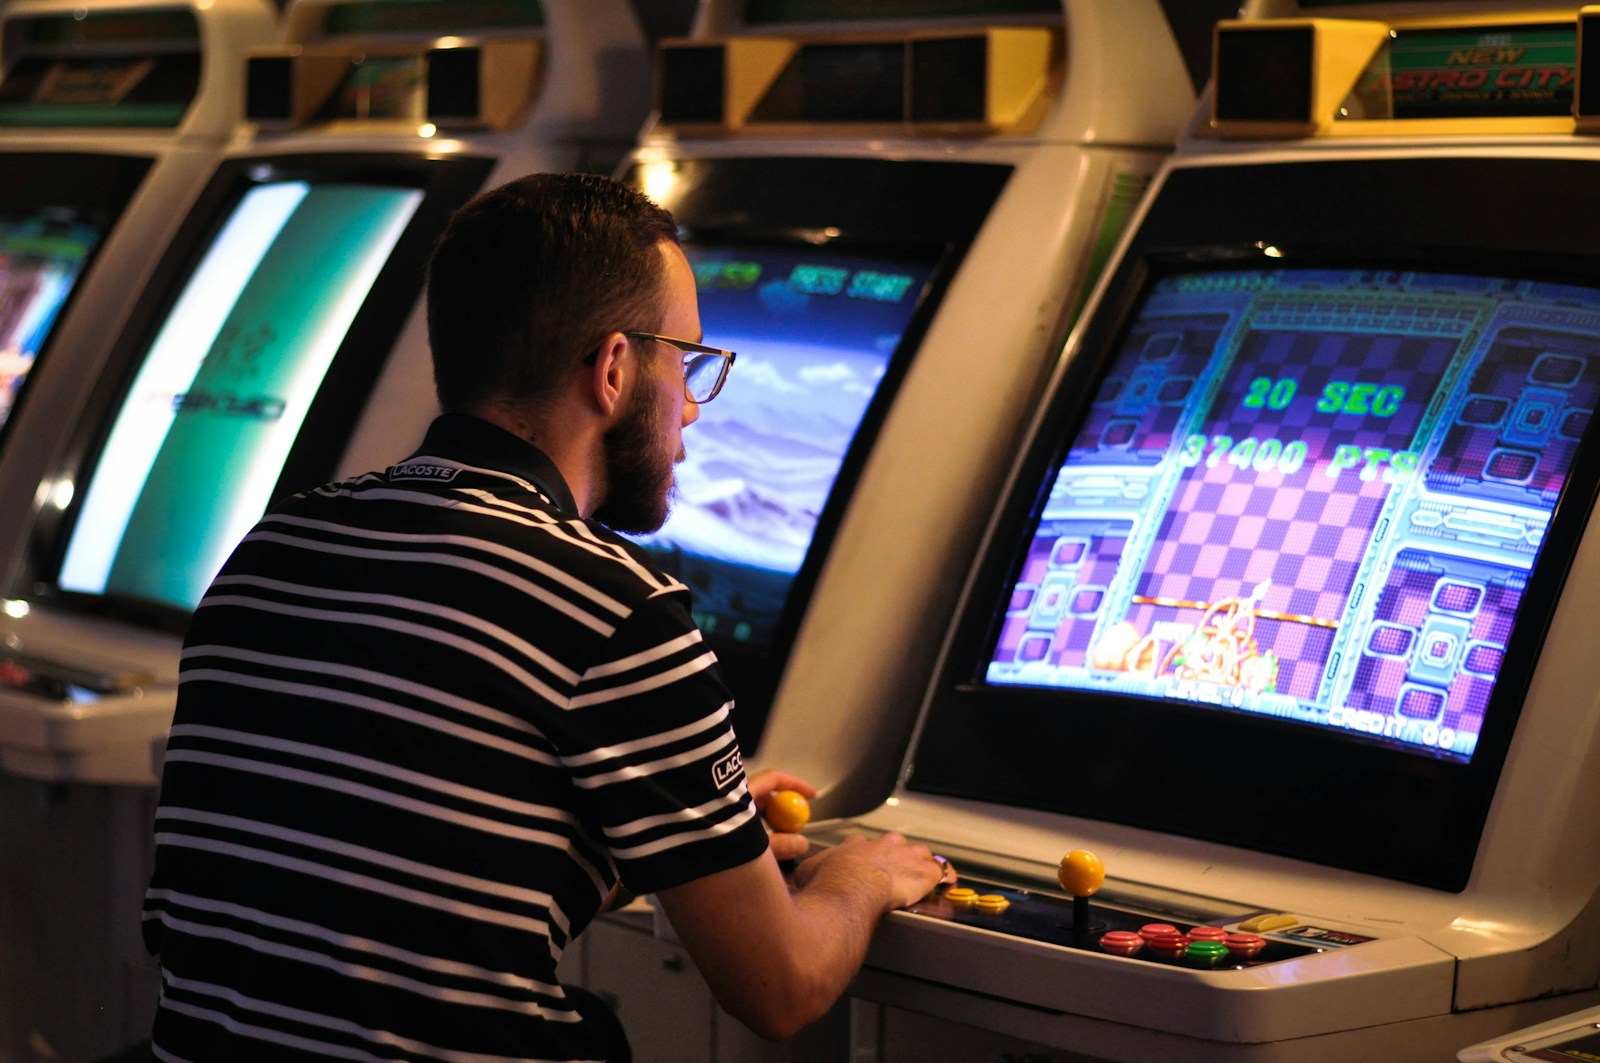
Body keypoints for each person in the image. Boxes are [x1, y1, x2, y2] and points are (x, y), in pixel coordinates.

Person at [141, 171, 951, 1061]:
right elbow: (782, 988)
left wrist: (679, 830)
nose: (689, 408)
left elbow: (388, 888)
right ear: (612, 368)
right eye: (688, 363)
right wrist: (859, 878)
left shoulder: (275, 544)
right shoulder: (616, 607)